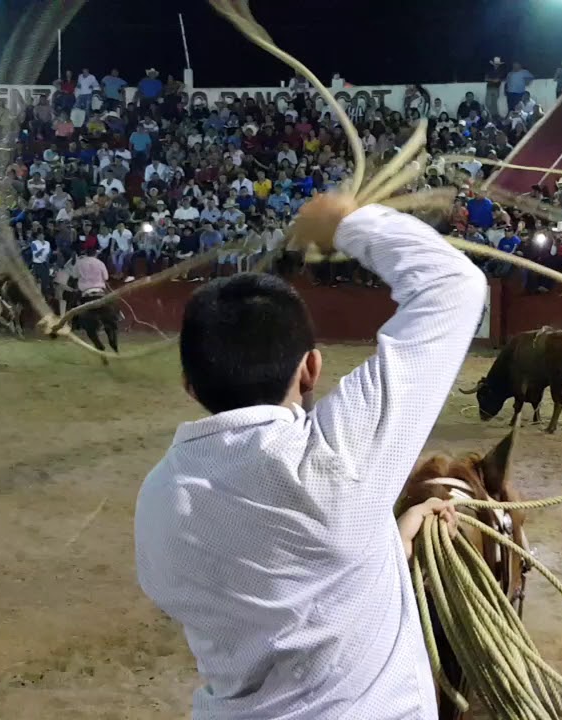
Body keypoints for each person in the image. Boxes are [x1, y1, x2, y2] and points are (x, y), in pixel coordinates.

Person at [133, 195, 486, 719]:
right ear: (311, 369)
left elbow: (286, 586)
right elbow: (454, 286)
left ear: (190, 385)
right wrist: (347, 223)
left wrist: (387, 536)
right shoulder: (336, 462)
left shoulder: (157, 500)